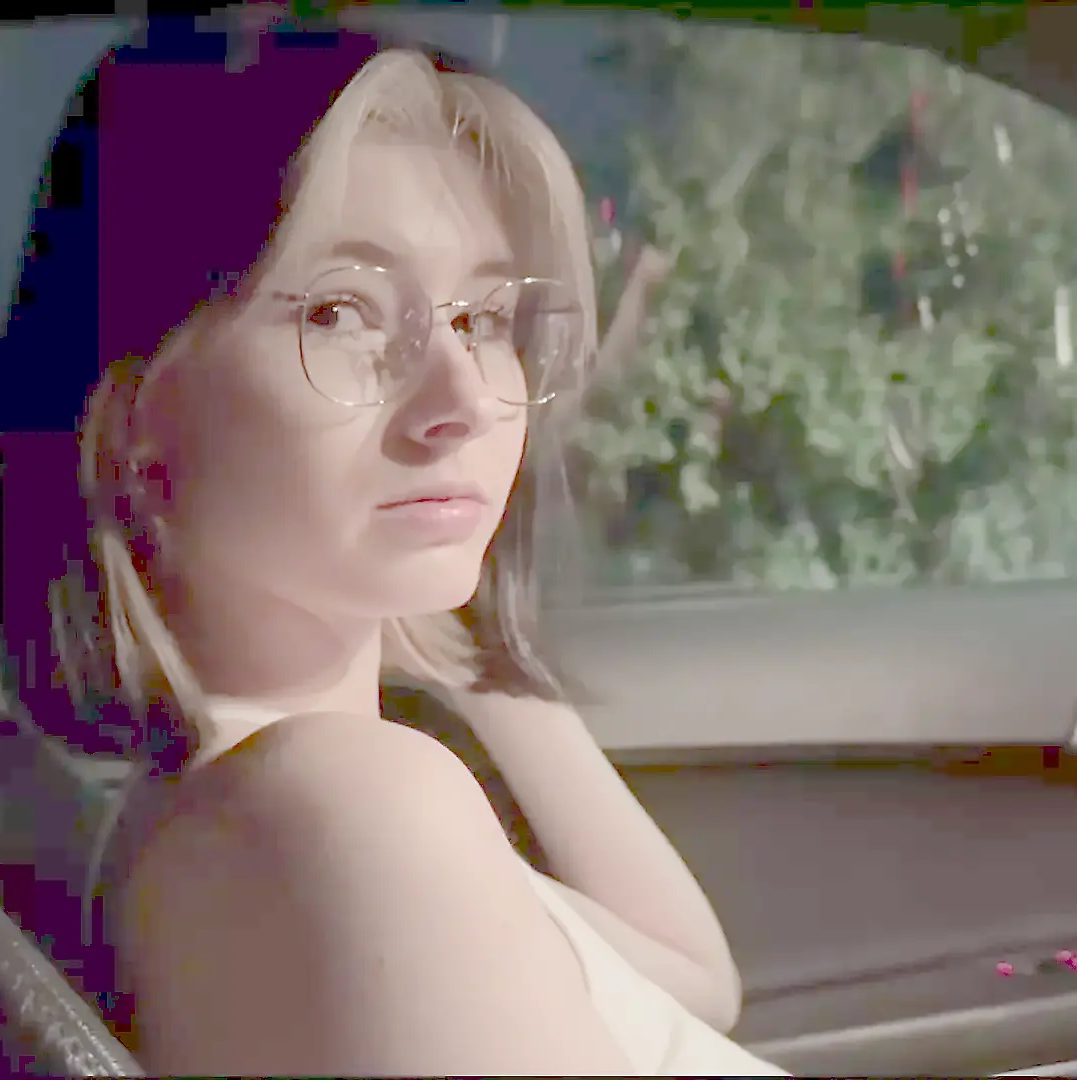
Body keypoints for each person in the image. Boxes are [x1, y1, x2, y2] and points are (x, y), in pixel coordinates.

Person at [72, 41, 788, 1077]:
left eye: (486, 320)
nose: (469, 400)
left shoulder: (287, 800)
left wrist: (457, 637)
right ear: (139, 418)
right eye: (340, 312)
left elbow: (692, 985)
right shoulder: (347, 807)